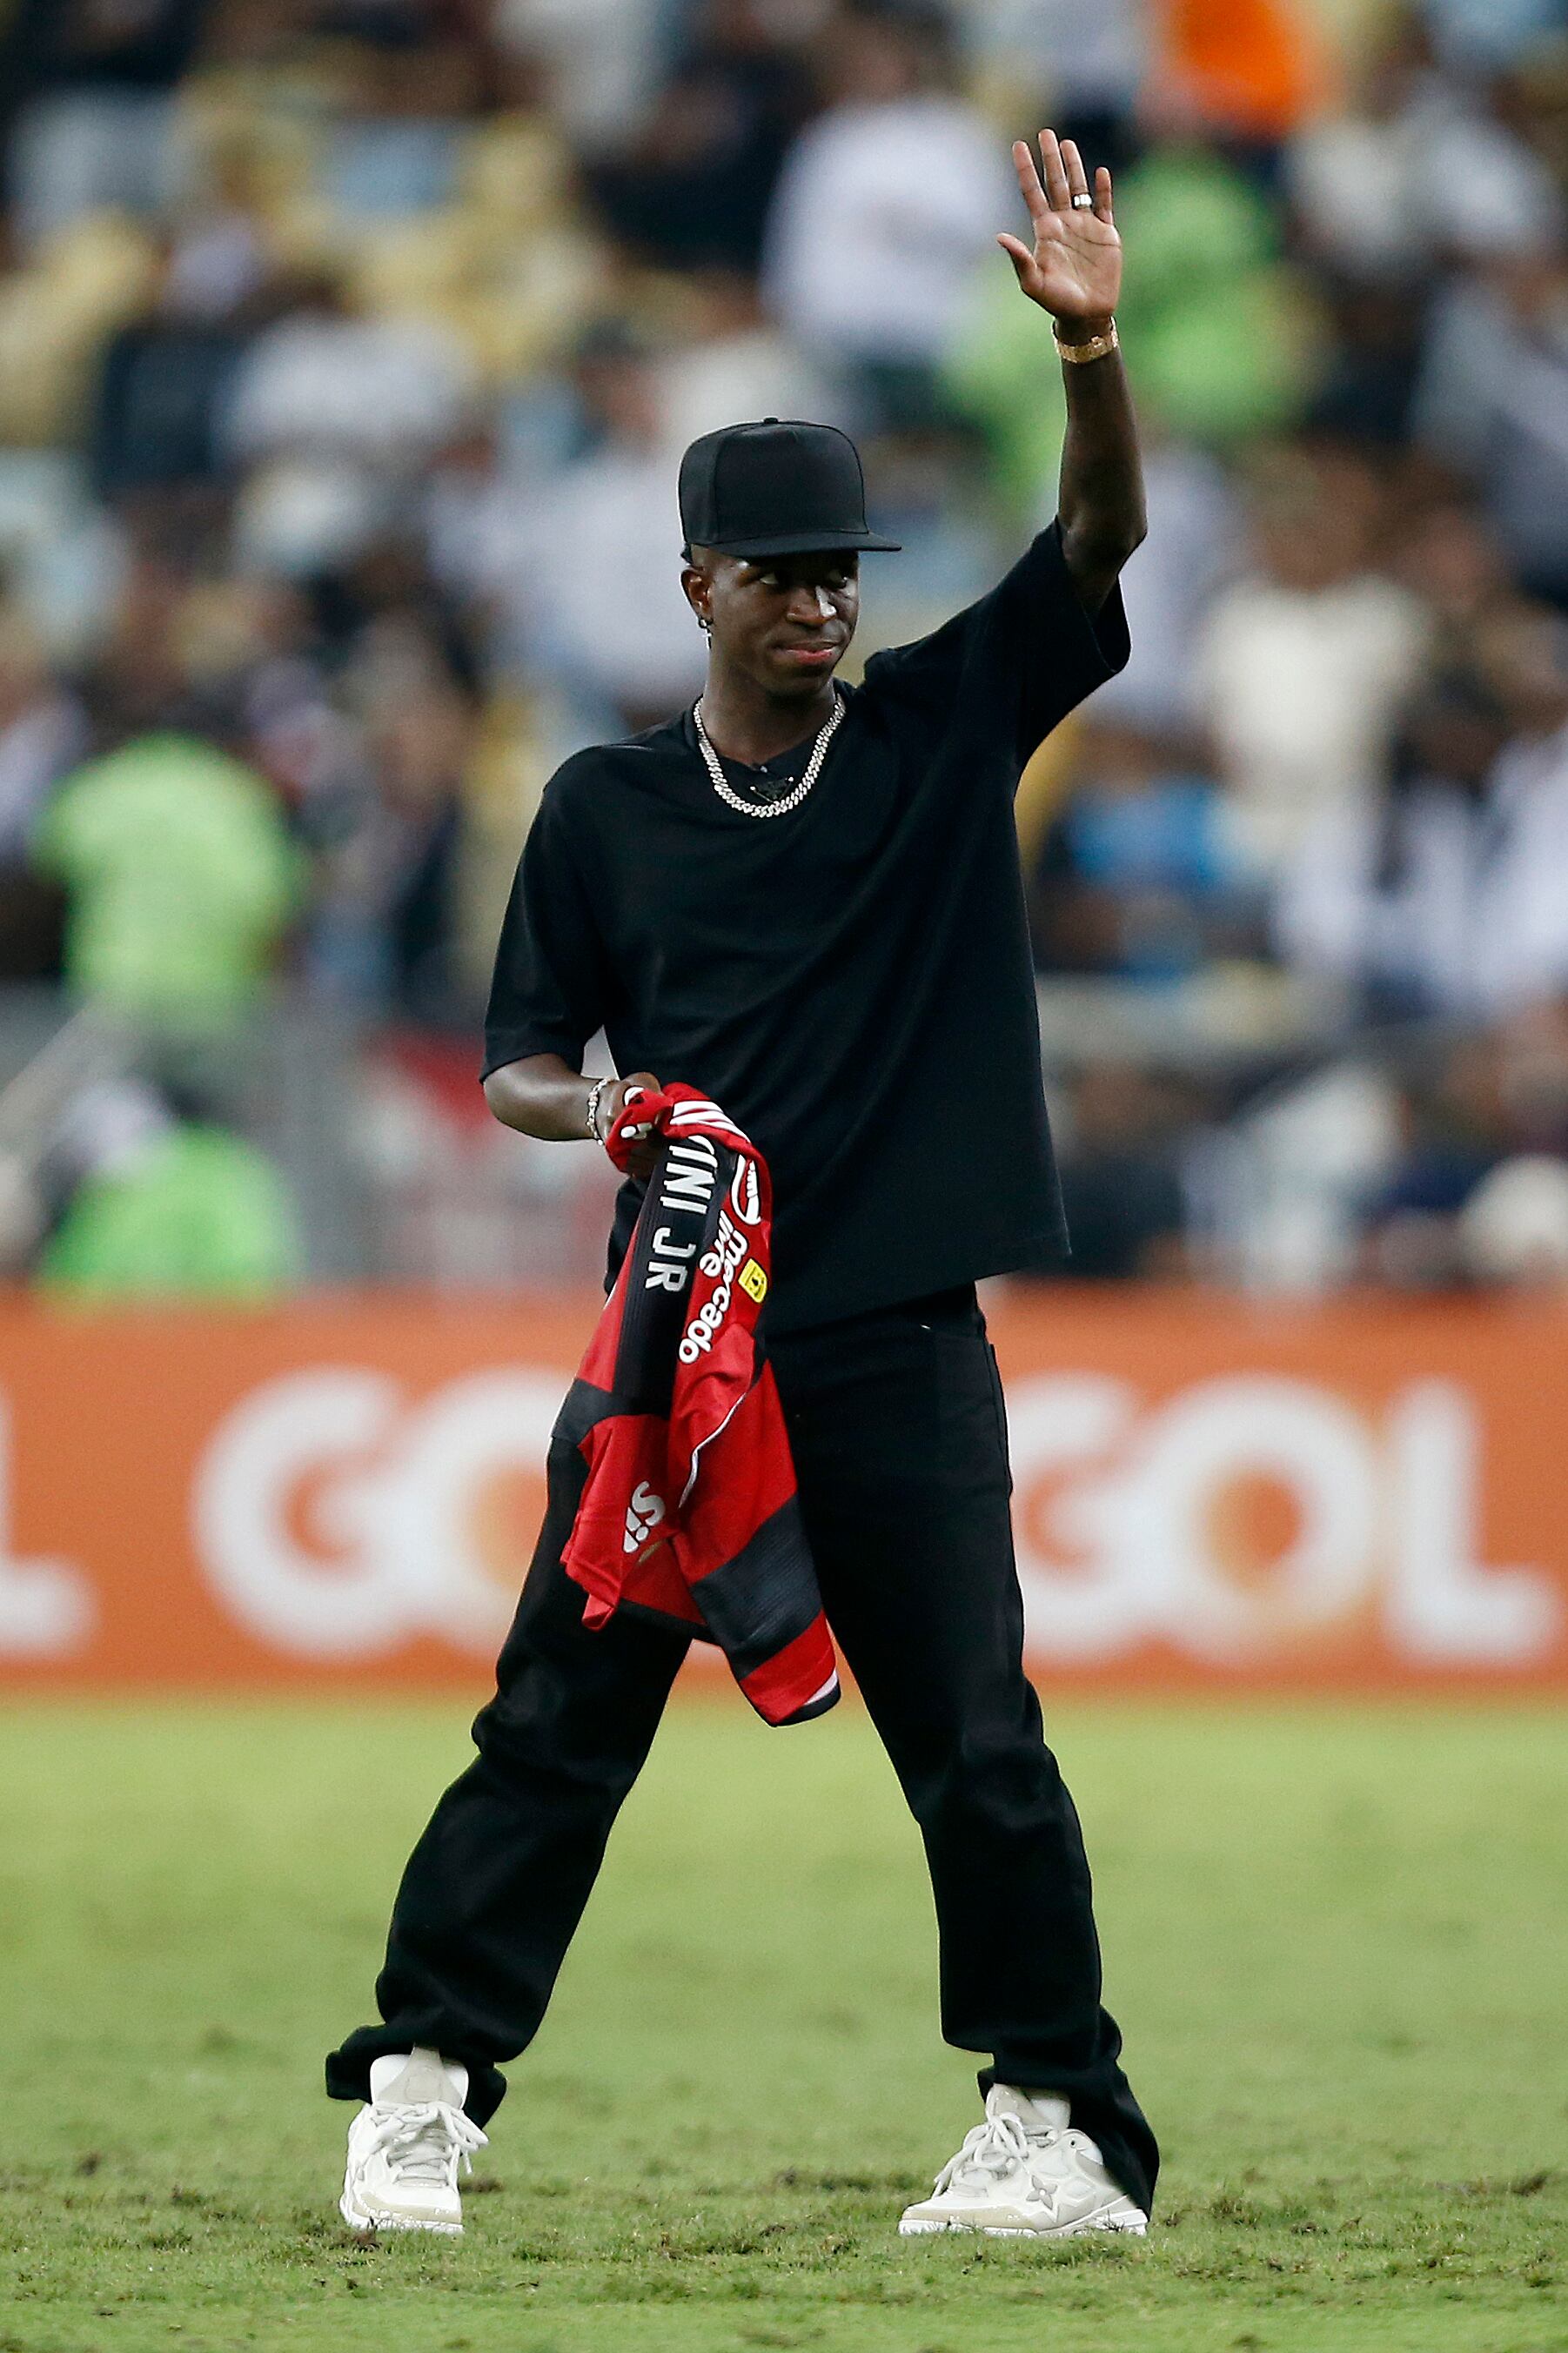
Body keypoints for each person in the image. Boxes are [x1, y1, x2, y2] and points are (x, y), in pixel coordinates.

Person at [329, 131, 1158, 2244]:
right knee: (557, 1716)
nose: (818, 598)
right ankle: (422, 2081)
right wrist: (607, 1116)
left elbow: (1097, 532)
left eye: (839, 567)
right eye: (777, 570)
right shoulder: (606, 807)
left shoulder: (937, 733)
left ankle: (1062, 2125)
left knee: (975, 1736)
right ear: (693, 583)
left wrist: (1088, 351)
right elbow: (519, 1059)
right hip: (678, 1332)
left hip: (888, 1344)